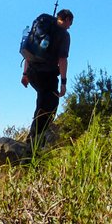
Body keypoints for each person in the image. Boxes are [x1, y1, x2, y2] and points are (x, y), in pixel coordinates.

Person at [20, 9, 73, 147]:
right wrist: (63, 82)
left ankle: (34, 140)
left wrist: (25, 74)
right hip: (47, 74)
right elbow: (62, 59)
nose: (70, 26)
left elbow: (29, 52)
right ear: (66, 19)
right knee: (49, 105)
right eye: (70, 23)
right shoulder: (64, 35)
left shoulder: (43, 24)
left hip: (32, 72)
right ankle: (34, 144)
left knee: (42, 102)